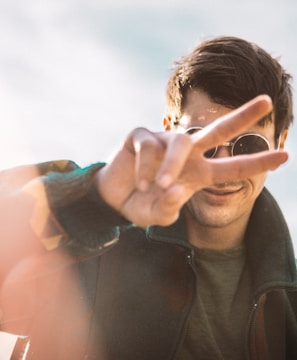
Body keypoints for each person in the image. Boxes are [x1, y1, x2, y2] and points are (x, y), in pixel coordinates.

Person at [0, 36, 296, 359]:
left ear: (280, 143)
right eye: (201, 141)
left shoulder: (290, 306)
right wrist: (95, 201)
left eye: (249, 145)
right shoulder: (94, 241)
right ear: (168, 129)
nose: (222, 167)